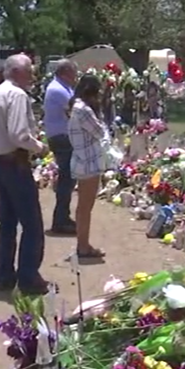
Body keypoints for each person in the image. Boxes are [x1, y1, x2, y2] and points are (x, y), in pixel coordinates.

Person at [0, 54, 48, 295]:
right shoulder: (18, 95)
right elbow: (19, 135)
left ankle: (5, 276)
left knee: (7, 224)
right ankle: (28, 277)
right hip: (14, 163)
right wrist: (39, 147)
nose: (32, 76)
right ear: (17, 72)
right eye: (29, 71)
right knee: (32, 225)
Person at [67, 74, 108, 259]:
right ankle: (83, 246)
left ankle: (82, 243)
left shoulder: (75, 107)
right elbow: (99, 132)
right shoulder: (84, 110)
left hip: (81, 160)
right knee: (85, 207)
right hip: (88, 162)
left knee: (82, 207)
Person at [43, 60, 78, 234]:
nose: (75, 76)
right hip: (62, 137)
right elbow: (74, 110)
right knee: (67, 178)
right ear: (65, 72)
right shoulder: (58, 90)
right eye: (74, 72)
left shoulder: (63, 88)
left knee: (68, 178)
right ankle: (60, 220)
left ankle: (63, 216)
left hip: (62, 136)